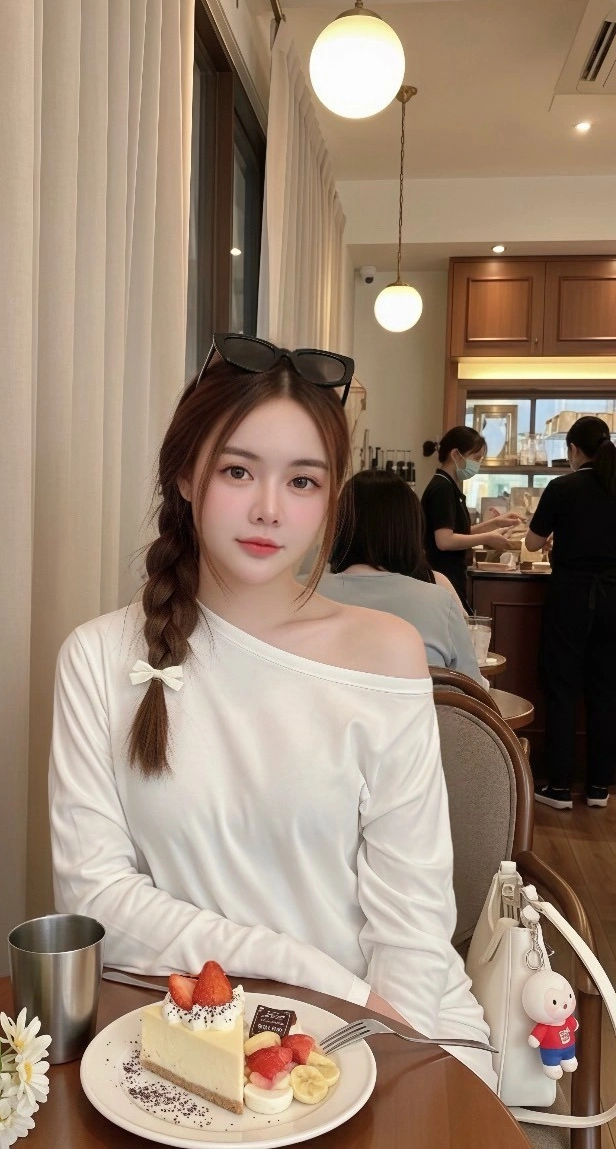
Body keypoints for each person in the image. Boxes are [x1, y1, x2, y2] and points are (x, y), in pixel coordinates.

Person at [49, 332, 495, 1088]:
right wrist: (314, 975)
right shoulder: (97, 658)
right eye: (237, 470)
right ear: (185, 475)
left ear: (331, 497)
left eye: (303, 481)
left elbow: (413, 924)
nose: (268, 509)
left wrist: (393, 1045)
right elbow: (97, 903)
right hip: (185, 1043)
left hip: (375, 1029)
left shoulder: (384, 651)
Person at [317, 470, 486, 684]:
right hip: (426, 706)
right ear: (412, 531)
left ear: (339, 527)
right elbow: (472, 687)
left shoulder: (309, 595)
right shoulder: (439, 599)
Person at [525, 415, 616, 810]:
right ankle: (598, 788)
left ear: (574, 450)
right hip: (613, 599)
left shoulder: (563, 487)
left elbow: (531, 543)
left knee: (562, 689)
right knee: (606, 692)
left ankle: (560, 788)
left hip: (570, 598)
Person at [422, 427, 520, 608]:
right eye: (476, 458)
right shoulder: (441, 489)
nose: (478, 464)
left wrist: (495, 523)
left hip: (451, 576)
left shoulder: (449, 486)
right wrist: (487, 538)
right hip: (443, 577)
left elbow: (459, 532)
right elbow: (444, 541)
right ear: (455, 454)